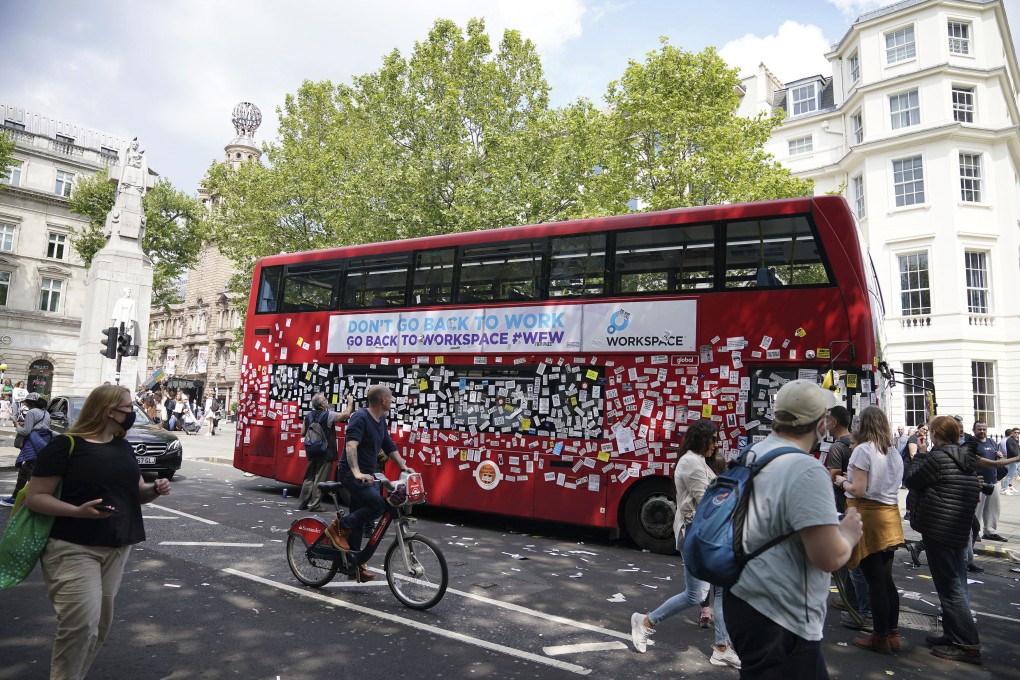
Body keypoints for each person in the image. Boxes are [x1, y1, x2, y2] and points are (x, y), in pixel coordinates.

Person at [25, 384, 172, 680]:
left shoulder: (123, 447)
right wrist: (77, 511)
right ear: (108, 412)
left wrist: (153, 490)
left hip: (118, 544)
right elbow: (36, 497)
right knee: (81, 623)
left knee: (99, 626)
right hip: (71, 546)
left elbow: (136, 493)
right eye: (128, 408)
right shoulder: (66, 445)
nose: (132, 413)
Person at [724, 380, 863, 679]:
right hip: (781, 614)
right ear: (821, 424)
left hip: (742, 598)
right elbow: (827, 557)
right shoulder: (807, 469)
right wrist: (849, 532)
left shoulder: (753, 453)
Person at [629, 419, 741, 669]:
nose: (716, 444)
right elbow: (708, 502)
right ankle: (645, 622)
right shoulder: (690, 462)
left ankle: (722, 647)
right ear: (701, 439)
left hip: (709, 534)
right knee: (697, 594)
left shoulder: (699, 461)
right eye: (713, 439)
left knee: (722, 590)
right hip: (696, 534)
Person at [904, 415, 982, 665]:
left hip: (939, 529)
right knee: (957, 583)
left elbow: (912, 480)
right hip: (957, 529)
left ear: (937, 433)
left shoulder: (937, 458)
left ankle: (968, 644)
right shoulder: (965, 458)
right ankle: (953, 634)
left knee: (950, 589)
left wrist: (922, 454)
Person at [833, 406, 904, 654]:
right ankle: (893, 633)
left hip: (869, 516)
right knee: (885, 580)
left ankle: (880, 637)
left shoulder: (863, 450)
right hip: (890, 516)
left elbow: (859, 490)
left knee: (874, 581)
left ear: (864, 425)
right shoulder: (893, 451)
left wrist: (842, 481)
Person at [325, 386, 412, 582]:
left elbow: (388, 445)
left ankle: (354, 565)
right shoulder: (360, 417)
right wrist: (356, 472)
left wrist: (405, 467)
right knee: (378, 505)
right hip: (350, 474)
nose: (392, 401)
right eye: (390, 397)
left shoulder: (380, 420)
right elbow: (350, 445)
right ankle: (339, 527)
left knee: (360, 518)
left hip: (369, 474)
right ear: (382, 400)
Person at [825, 406, 871, 632]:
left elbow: (834, 477)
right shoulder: (864, 447)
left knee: (849, 559)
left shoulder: (836, 447)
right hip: (860, 507)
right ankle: (854, 601)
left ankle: (851, 600)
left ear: (833, 423)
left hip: (843, 503)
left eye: (826, 419)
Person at [296, 393, 347, 512]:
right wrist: (350, 402)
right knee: (320, 479)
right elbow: (346, 415)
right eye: (325, 399)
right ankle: (315, 505)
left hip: (312, 450)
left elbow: (302, 433)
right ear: (322, 404)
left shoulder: (308, 416)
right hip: (325, 453)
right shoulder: (328, 415)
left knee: (309, 477)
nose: (327, 400)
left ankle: (302, 503)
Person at [2, 393, 54, 506]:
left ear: (31, 402)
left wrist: (17, 425)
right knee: (23, 472)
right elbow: (42, 427)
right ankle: (15, 498)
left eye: (26, 401)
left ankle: (30, 501)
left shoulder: (31, 412)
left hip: (33, 444)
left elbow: (26, 431)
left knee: (31, 472)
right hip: (43, 442)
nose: (25, 403)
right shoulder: (46, 413)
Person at [971, 421, 1006, 542]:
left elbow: (998, 459)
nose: (982, 431)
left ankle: (990, 532)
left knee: (993, 509)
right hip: (979, 482)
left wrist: (1000, 456)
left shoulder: (991, 442)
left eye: (984, 429)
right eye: (979, 429)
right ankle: (975, 532)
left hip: (993, 481)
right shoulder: (971, 444)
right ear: (974, 430)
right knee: (977, 510)